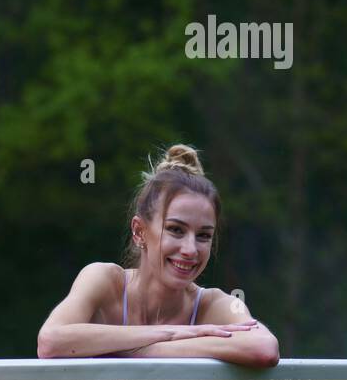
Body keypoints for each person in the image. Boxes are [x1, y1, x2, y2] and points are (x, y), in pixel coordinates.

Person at [37, 144, 279, 368]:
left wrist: (141, 350)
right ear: (139, 231)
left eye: (204, 235)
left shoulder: (215, 304)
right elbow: (51, 342)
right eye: (176, 230)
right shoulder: (103, 279)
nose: (190, 249)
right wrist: (167, 333)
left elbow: (264, 348)